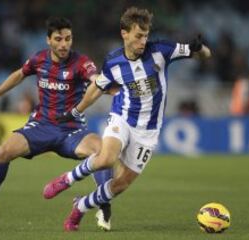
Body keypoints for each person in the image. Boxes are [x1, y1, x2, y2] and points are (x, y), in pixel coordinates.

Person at [43, 7, 211, 231]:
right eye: (138, 35)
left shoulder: (162, 50)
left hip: (148, 131)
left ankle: (81, 206)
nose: (143, 41)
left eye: (146, 35)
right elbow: (97, 88)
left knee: (120, 184)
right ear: (125, 33)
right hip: (122, 117)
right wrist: (76, 110)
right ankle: (67, 179)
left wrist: (199, 49)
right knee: (105, 158)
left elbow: (204, 54)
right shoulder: (113, 61)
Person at [0, 17, 114, 231]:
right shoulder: (39, 59)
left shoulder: (82, 62)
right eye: (58, 39)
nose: (64, 44)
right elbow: (18, 75)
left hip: (71, 130)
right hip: (41, 126)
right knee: (3, 152)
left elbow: (95, 79)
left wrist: (108, 86)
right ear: (48, 40)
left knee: (102, 151)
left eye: (68, 39)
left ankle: (103, 204)